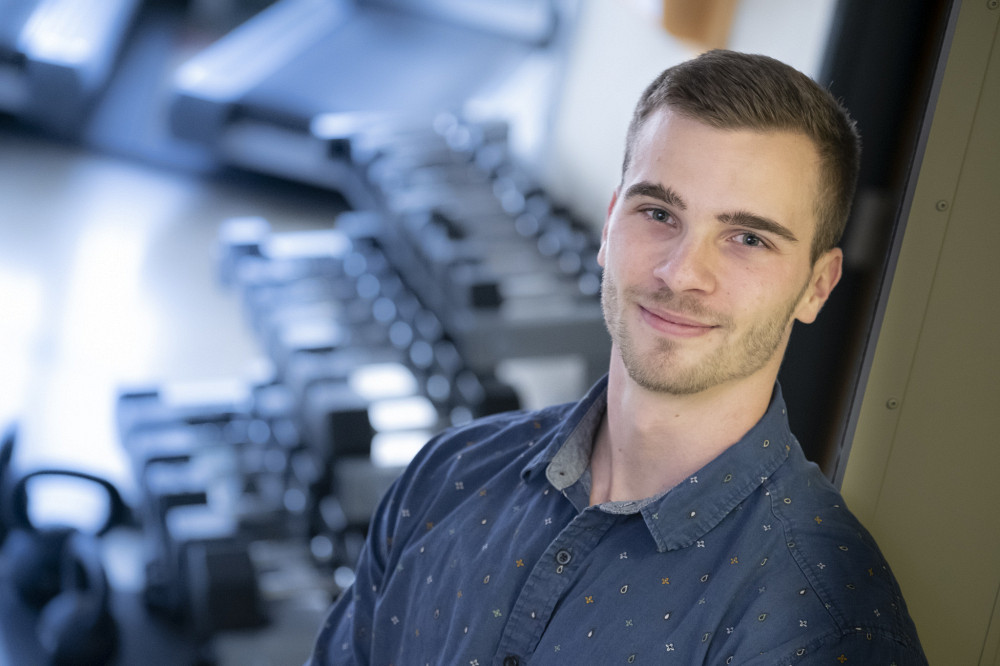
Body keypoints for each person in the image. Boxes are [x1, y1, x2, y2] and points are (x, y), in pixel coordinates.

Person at [308, 50, 927, 665]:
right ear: (609, 225)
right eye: (658, 213)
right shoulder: (450, 475)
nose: (682, 272)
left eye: (748, 239)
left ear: (818, 286)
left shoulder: (823, 625)